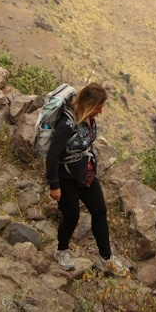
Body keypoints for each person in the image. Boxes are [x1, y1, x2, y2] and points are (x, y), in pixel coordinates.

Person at [46, 81, 123, 273]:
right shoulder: (67, 124)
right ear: (90, 105)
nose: (101, 111)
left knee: (100, 211)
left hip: (86, 174)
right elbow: (53, 155)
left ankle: (106, 258)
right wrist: (54, 185)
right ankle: (61, 250)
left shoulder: (88, 117)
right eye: (98, 107)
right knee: (71, 216)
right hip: (67, 177)